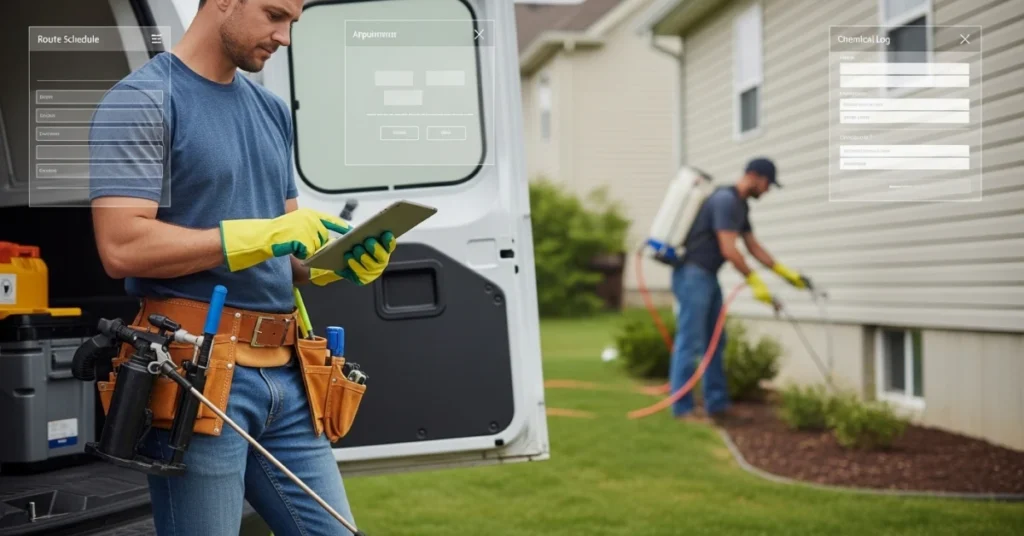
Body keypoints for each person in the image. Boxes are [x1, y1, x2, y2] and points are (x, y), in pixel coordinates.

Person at [87, 1, 386, 534]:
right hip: (196, 376)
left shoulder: (270, 111)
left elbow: (287, 254)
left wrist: (336, 264)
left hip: (289, 378)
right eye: (274, 15)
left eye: (292, 21)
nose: (284, 37)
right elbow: (121, 246)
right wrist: (258, 235)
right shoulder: (141, 100)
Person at [669, 157, 809, 423]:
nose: (767, 190)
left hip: (707, 277)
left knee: (715, 342)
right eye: (767, 184)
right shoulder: (725, 201)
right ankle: (682, 409)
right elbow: (729, 250)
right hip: (692, 275)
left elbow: (753, 247)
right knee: (691, 342)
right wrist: (754, 281)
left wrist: (786, 273)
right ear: (754, 176)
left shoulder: (740, 206)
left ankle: (717, 405)